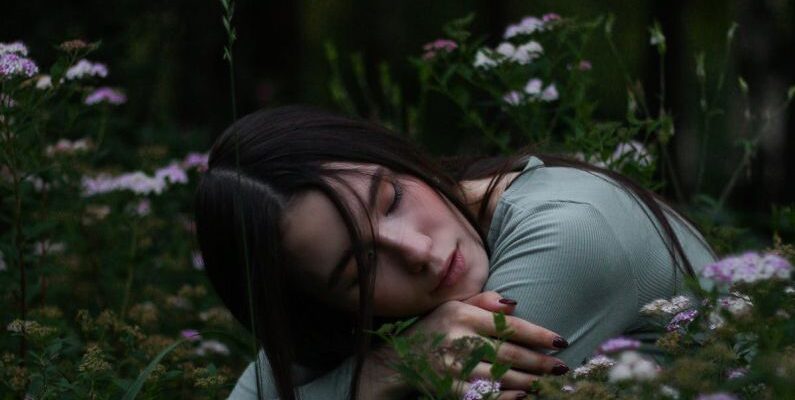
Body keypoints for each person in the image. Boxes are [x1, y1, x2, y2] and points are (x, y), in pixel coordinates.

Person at [194, 105, 716, 400]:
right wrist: (389, 368)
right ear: (329, 312)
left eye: (391, 199)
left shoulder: (572, 233)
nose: (417, 250)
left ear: (396, 157)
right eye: (363, 268)